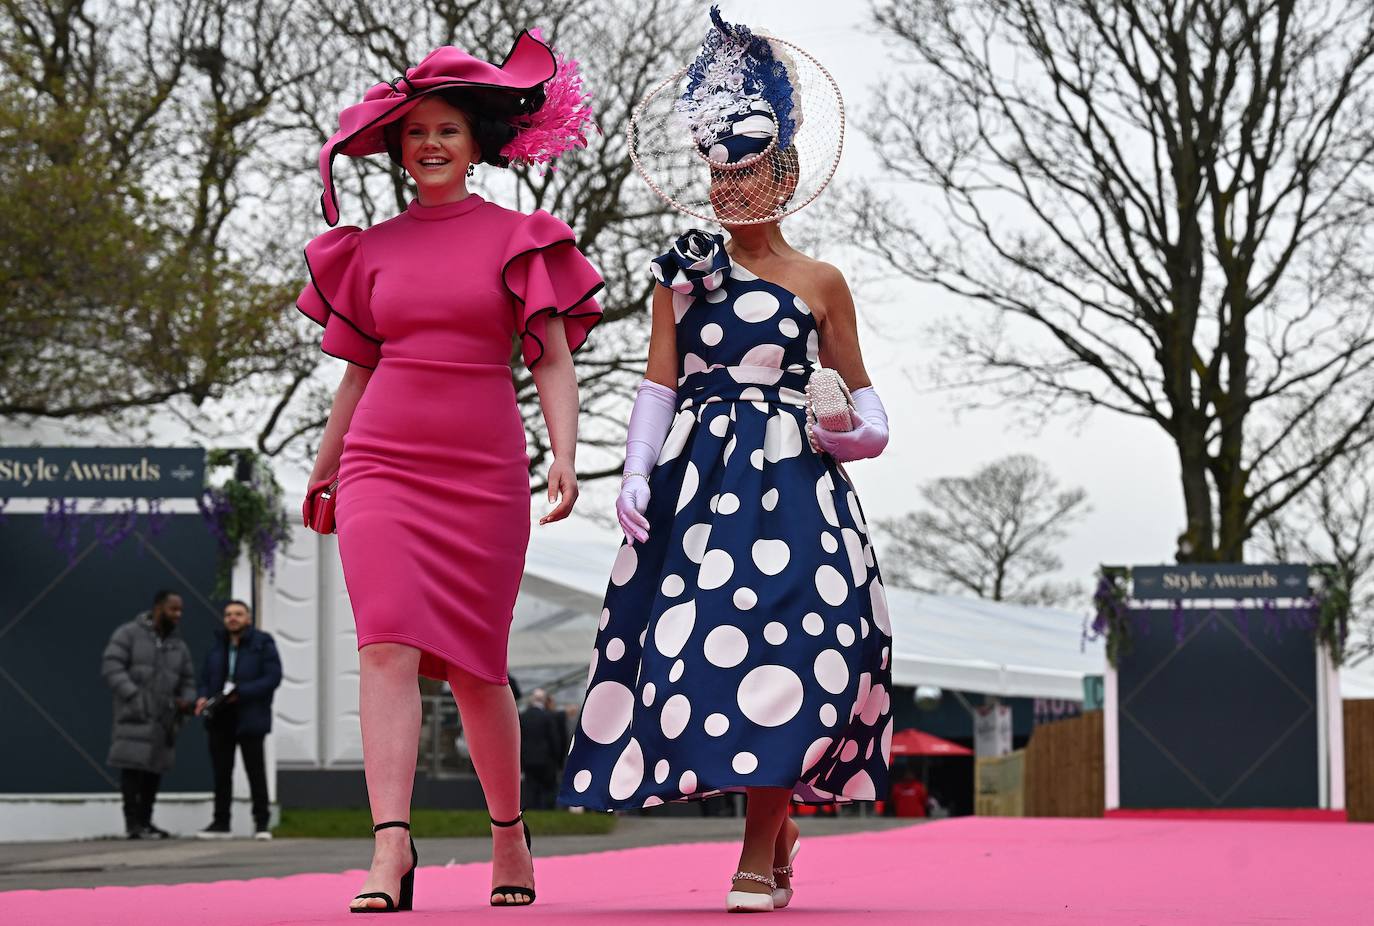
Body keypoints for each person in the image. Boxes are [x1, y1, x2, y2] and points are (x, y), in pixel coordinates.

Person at [559, 9, 894, 913]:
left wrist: (853, 436)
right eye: (719, 177)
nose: (732, 192)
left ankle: (756, 847)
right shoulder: (682, 272)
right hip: (699, 488)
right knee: (710, 656)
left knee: (799, 647)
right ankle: (773, 822)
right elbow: (658, 385)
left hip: (798, 486)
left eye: (748, 174)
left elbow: (865, 402)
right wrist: (634, 470)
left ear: (783, 173)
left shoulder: (822, 282)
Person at [298, 32, 600, 912]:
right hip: (381, 463)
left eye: (449, 131)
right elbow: (358, 369)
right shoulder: (370, 249)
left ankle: (509, 832)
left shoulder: (520, 239)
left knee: (476, 667)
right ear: (398, 146)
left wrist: (565, 455)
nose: (430, 143)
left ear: (477, 145)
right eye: (416, 131)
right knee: (384, 644)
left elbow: (548, 360)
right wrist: (324, 469)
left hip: (484, 470)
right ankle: (390, 848)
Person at [101, 589, 196, 839]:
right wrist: (133, 696)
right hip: (135, 714)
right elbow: (112, 667)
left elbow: (188, 679)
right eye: (173, 609)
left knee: (155, 769)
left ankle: (146, 821)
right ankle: (132, 823)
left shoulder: (179, 645)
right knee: (131, 767)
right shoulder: (128, 634)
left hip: (164, 717)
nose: (178, 615)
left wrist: (186, 701)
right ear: (158, 608)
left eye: (180, 610)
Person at [194, 599, 283, 840]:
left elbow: (273, 677)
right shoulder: (216, 646)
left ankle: (262, 824)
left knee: (256, 771)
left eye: (238, 614)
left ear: (248, 618)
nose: (232, 618)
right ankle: (221, 822)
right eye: (228, 614)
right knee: (221, 772)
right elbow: (204, 677)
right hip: (220, 717)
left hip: (250, 716)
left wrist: (241, 692)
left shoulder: (263, 643)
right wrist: (202, 697)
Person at [518, 689, 564, 810]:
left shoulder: (523, 716)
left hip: (528, 759)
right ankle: (545, 810)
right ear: (543, 701)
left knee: (531, 787)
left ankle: (531, 809)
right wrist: (558, 759)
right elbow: (554, 739)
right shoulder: (548, 716)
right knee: (547, 788)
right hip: (546, 759)